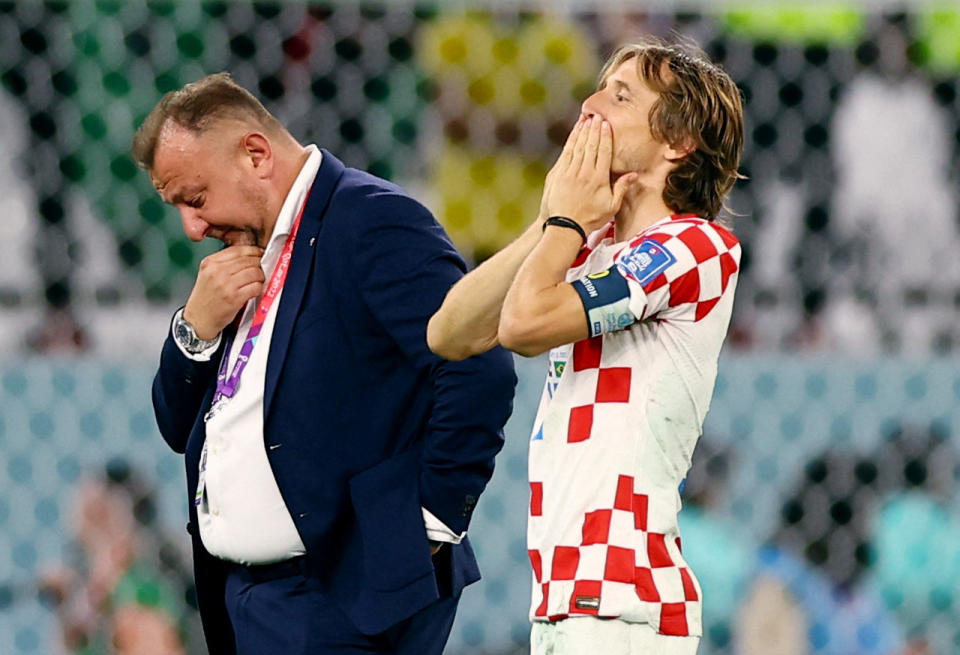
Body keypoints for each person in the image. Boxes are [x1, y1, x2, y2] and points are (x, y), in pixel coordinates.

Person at [131, 73, 516, 655]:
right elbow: (174, 425)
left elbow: (478, 365)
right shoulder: (244, 252)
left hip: (342, 597)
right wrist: (195, 328)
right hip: (250, 599)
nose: (192, 227)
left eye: (196, 198)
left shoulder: (371, 220)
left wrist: (428, 525)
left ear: (255, 154)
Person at [428, 38, 744, 654]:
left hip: (626, 610)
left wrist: (566, 225)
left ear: (678, 142)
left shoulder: (697, 247)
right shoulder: (588, 248)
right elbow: (449, 332)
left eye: (621, 95)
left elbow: (522, 326)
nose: (590, 104)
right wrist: (559, 222)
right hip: (569, 604)